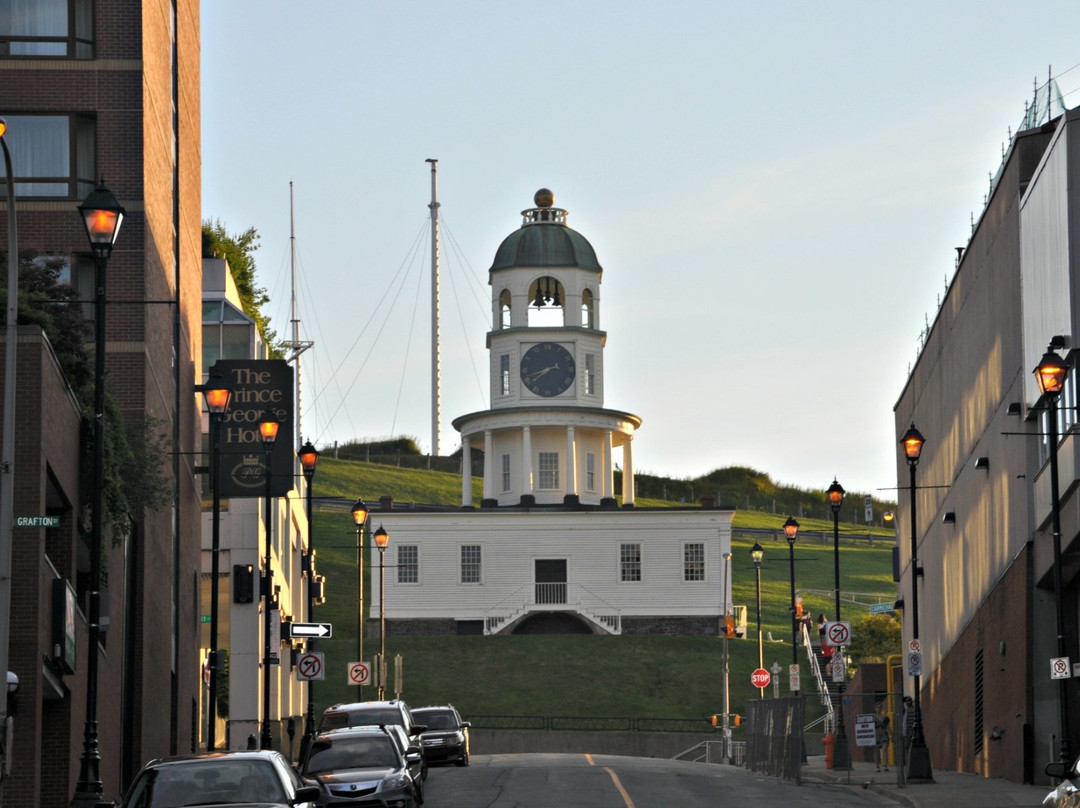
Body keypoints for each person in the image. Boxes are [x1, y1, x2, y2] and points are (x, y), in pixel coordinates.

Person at [874, 701, 891, 771]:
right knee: (876, 751)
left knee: (884, 749)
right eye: (877, 708)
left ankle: (885, 765)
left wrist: (892, 735)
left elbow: (888, 727)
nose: (879, 709)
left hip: (884, 735)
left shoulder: (885, 718)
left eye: (880, 707)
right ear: (875, 709)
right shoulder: (872, 718)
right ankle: (877, 766)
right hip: (875, 735)